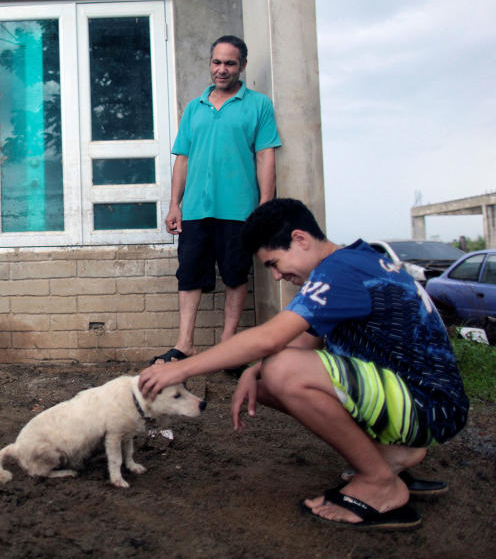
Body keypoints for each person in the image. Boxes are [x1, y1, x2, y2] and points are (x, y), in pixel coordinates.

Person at [139, 198, 468, 529]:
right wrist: (253, 371)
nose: (279, 275)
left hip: (429, 406)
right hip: (423, 403)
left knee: (281, 370)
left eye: (274, 263)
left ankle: (379, 483)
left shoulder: (339, 271)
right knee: (268, 379)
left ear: (300, 239)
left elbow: (271, 340)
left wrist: (178, 368)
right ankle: (391, 453)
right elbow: (303, 341)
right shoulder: (355, 260)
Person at [153, 35, 281, 365]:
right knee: (190, 274)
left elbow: (266, 157)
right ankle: (185, 345)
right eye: (216, 62)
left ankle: (228, 346)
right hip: (196, 208)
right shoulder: (194, 108)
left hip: (240, 210)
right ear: (210, 63)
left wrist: (266, 207)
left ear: (242, 66)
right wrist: (174, 204)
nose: (221, 69)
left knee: (236, 275)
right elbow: (182, 158)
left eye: (229, 63)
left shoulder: (258, 105)